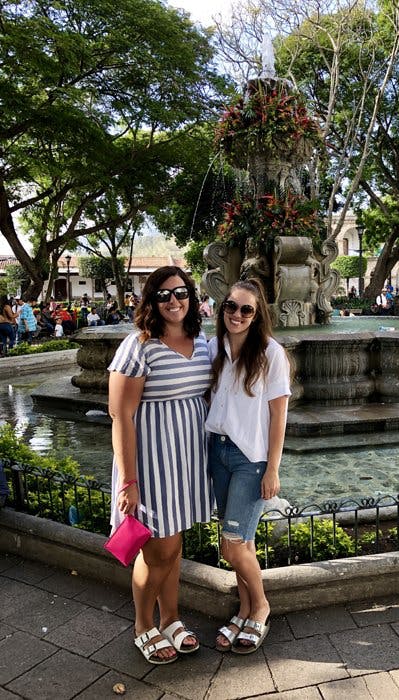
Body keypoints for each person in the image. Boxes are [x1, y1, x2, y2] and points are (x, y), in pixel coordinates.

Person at [108, 266, 213, 665]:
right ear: (151, 301)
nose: (174, 301)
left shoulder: (201, 342)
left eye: (181, 293)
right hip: (151, 465)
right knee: (158, 550)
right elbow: (121, 416)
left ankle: (170, 618)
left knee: (174, 544)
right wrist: (128, 481)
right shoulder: (139, 346)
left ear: (192, 296)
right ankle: (142, 625)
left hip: (187, 461)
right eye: (164, 295)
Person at [206, 278, 291, 655]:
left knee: (231, 545)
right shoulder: (214, 349)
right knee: (244, 542)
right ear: (222, 308)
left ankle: (261, 605)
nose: (236, 315)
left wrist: (273, 468)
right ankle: (242, 610)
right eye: (230, 306)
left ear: (257, 316)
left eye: (246, 310)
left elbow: (279, 416)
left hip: (250, 459)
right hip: (218, 452)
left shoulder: (271, 353)